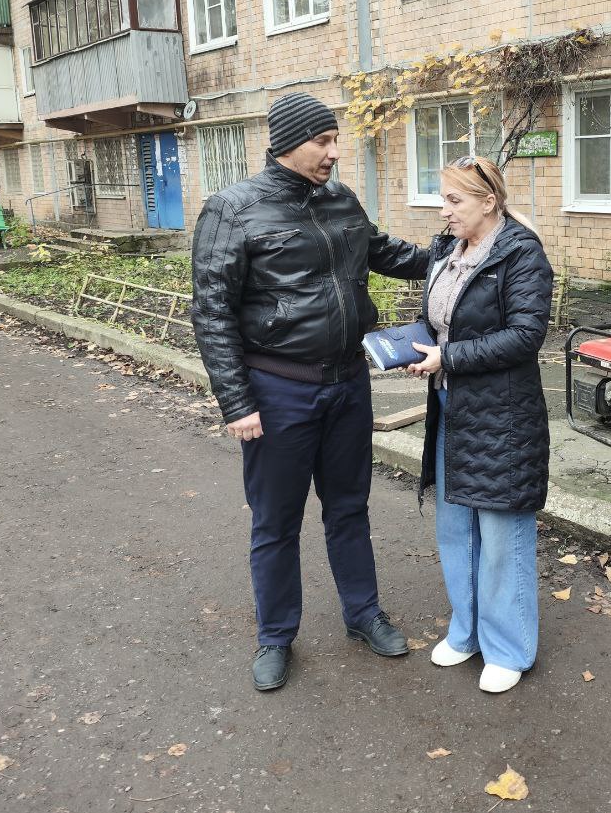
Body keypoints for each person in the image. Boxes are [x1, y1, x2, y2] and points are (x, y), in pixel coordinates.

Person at [191, 92, 430, 692]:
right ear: (287, 143)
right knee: (276, 521)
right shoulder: (233, 210)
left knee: (349, 507)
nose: (332, 152)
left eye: (333, 140)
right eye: (322, 141)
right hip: (278, 391)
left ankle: (362, 613)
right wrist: (237, 402)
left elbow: (378, 252)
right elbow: (212, 312)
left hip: (347, 383)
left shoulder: (339, 199)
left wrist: (452, 251)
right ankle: (276, 636)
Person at [406, 155, 553, 694]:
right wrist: (414, 345)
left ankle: (509, 648)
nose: (444, 211)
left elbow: (524, 336)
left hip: (502, 419)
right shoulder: (450, 250)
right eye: (442, 198)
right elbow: (443, 319)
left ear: (489, 201)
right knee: (454, 528)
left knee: (500, 533)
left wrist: (450, 358)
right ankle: (466, 632)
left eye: (454, 200)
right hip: (452, 408)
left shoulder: (520, 256)